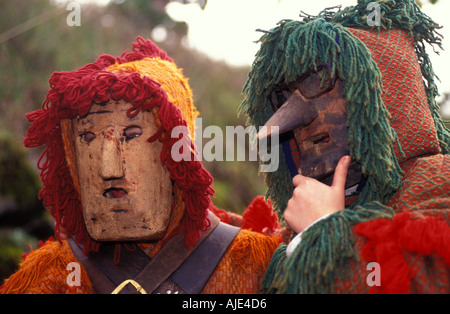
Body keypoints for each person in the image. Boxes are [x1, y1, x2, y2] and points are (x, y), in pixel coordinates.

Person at [0, 37, 281, 294]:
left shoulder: (253, 266)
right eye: (88, 137)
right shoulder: (53, 277)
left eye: (132, 135)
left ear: (179, 150)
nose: (109, 168)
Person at [239, 0, 450, 293]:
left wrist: (323, 232)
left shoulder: (439, 185)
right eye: (283, 96)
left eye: (319, 81)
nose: (292, 118)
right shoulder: (295, 225)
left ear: (380, 93)